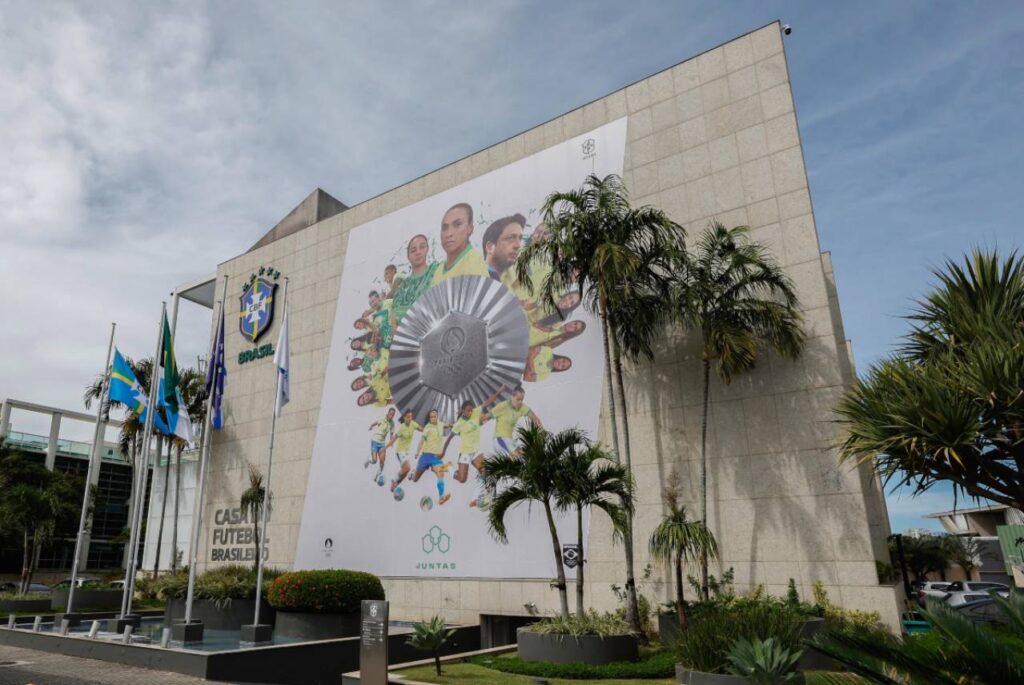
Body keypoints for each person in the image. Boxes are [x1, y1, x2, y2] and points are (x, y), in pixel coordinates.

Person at [440, 388, 505, 507]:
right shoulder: (459, 424)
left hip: (475, 451)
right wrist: (443, 452)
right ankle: (449, 467)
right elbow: (449, 439)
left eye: (471, 410)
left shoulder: (476, 412)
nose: (470, 412)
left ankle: (485, 497)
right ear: (463, 411)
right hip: (465, 453)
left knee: (487, 473)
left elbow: (488, 401)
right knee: (462, 479)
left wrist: (499, 391)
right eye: (468, 411)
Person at [431, 203, 489, 286]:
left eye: (457, 224)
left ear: (470, 228)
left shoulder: (474, 264)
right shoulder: (439, 270)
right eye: (445, 228)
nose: (448, 234)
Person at [391, 234, 439, 327]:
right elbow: (394, 317)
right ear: (408, 256)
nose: (418, 252)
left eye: (422, 247)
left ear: (427, 249)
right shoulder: (402, 287)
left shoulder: (436, 270)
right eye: (413, 250)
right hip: (408, 336)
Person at [412, 410, 451, 505]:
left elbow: (447, 425)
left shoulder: (441, 424)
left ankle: (441, 497)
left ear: (437, 416)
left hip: (435, 457)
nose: (433, 418)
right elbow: (421, 441)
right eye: (431, 417)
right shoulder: (427, 427)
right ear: (429, 418)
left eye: (435, 416)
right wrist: (417, 452)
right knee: (415, 479)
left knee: (441, 473)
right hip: (425, 456)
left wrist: (454, 425)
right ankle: (413, 473)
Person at [491, 386, 543, 456]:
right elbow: (485, 417)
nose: (520, 402)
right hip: (500, 439)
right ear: (512, 397)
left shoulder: (522, 406)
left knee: (525, 456)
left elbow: (534, 417)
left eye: (522, 400)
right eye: (518, 399)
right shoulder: (502, 406)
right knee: (516, 457)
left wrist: (541, 429)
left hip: (510, 440)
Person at [482, 214, 525, 282]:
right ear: (490, 247)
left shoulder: (517, 283)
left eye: (520, 238)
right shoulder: (472, 279)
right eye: (511, 238)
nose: (518, 245)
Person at [386, 410, 422, 491]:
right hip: (400, 451)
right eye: (408, 417)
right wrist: (385, 448)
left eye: (411, 416)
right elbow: (394, 439)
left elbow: (421, 429)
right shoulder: (402, 427)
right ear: (404, 417)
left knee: (405, 473)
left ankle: (395, 485)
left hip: (406, 452)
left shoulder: (413, 423)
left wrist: (428, 430)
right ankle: (394, 480)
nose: (410, 418)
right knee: (408, 468)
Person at [366, 407, 397, 484]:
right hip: (375, 441)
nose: (391, 416)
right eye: (391, 414)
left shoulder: (392, 423)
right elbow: (375, 423)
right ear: (388, 413)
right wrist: (371, 426)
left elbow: (391, 434)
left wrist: (391, 441)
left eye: (393, 415)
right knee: (374, 460)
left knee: (382, 462)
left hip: (382, 444)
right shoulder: (382, 419)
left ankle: (377, 476)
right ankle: (368, 460)